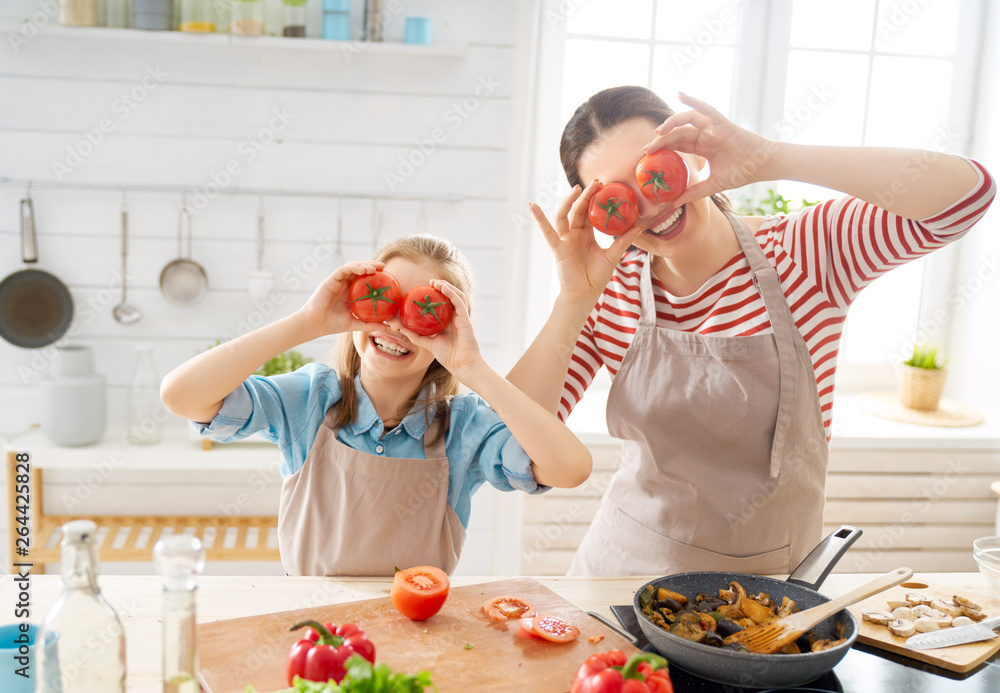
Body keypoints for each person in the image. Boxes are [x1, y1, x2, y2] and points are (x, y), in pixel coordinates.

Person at [509, 86, 995, 576]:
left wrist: (771, 158)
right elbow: (511, 445)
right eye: (618, 199)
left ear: (691, 157)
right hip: (615, 583)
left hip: (766, 599)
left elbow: (967, 197)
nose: (651, 206)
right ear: (596, 213)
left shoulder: (806, 253)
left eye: (653, 173)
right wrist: (572, 301)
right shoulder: (606, 289)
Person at [160, 234, 592, 577]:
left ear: (448, 330)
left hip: (418, 635)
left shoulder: (462, 428)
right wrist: (307, 323)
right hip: (314, 633)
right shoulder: (310, 399)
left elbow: (569, 468)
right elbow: (181, 395)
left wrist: (470, 365)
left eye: (425, 312)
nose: (397, 324)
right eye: (383, 300)